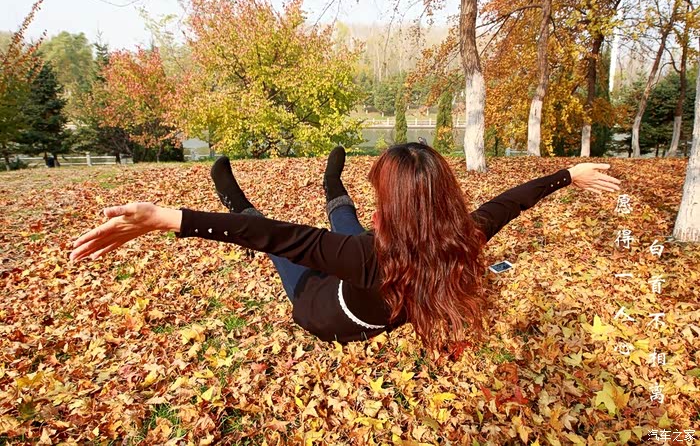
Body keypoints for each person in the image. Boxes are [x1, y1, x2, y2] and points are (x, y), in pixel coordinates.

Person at [70, 143, 621, 352]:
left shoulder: (365, 256)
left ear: (402, 213)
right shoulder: (459, 238)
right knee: (346, 223)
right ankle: (332, 182)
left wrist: (166, 218)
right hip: (372, 287)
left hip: (321, 308)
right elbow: (510, 202)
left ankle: (234, 196)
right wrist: (567, 175)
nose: (382, 208)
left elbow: (274, 236)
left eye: (385, 197)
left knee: (281, 246)